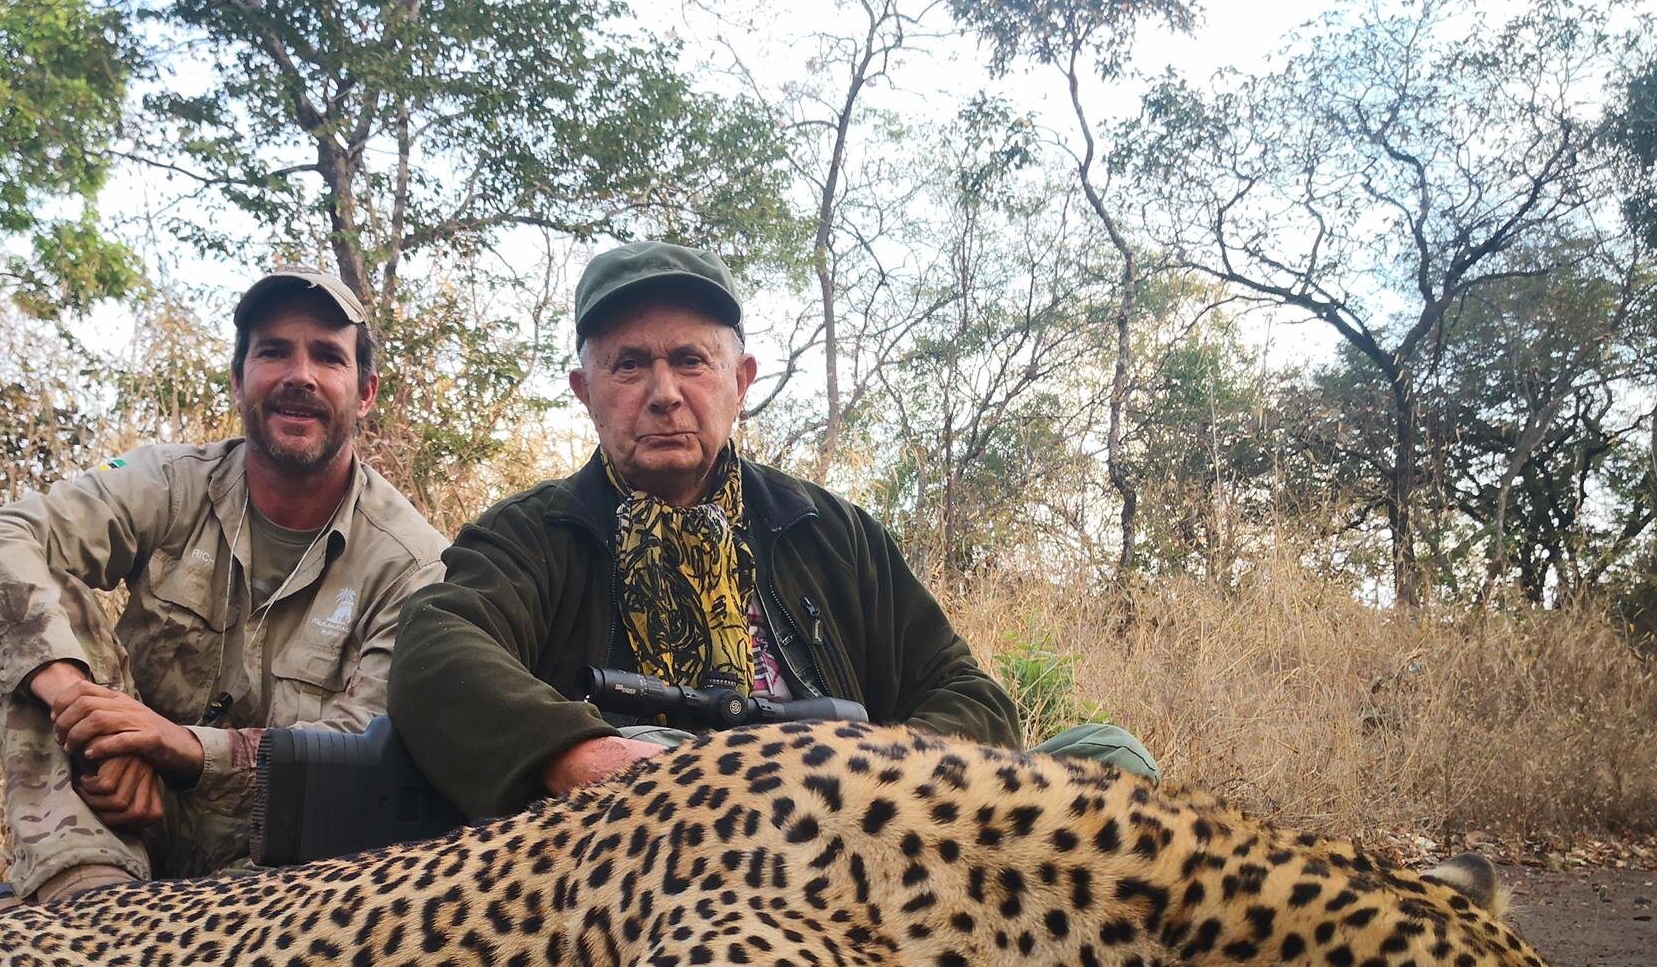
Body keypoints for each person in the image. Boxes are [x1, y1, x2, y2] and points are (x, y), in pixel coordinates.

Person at [0, 268, 448, 967]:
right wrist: (82, 709)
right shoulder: (168, 481)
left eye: (327, 356)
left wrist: (181, 748)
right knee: (46, 615)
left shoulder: (415, 562)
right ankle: (90, 909)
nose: (298, 374)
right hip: (122, 822)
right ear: (239, 379)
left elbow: (363, 757)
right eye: (273, 352)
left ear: (364, 392)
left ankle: (6, 934)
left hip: (278, 877)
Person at [387, 241, 1155, 818]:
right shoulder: (532, 533)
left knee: (1106, 757)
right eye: (628, 366)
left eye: (690, 360)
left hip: (857, 821)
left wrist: (881, 769)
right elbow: (435, 646)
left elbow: (963, 690)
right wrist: (580, 752)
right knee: (659, 774)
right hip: (655, 844)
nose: (663, 394)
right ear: (585, 392)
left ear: (740, 381)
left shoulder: (832, 530)